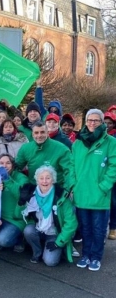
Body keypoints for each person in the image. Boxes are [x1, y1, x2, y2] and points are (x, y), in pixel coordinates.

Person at [70, 109, 116, 271]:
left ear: (102, 123)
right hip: (82, 193)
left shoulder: (110, 142)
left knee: (98, 229)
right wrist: (74, 185)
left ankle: (96, 257)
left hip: (99, 195)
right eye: (90, 120)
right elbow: (71, 166)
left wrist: (103, 186)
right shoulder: (78, 142)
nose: (92, 123)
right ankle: (86, 255)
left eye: (96, 120)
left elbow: (113, 167)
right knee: (85, 228)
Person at [20, 166, 77, 266]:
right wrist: (21, 202)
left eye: (48, 178)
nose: (44, 181)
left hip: (55, 234)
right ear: (37, 180)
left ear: (53, 180)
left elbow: (71, 223)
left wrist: (58, 242)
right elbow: (20, 214)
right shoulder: (31, 193)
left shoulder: (61, 195)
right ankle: (37, 252)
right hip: (38, 229)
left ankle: (59, 247)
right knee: (28, 230)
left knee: (50, 262)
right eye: (41, 178)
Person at [16, 121, 71, 190]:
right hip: (33, 189)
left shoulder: (61, 149)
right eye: (36, 133)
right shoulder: (25, 148)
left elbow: (69, 171)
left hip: (55, 189)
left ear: (47, 133)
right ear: (32, 134)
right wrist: (24, 181)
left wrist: (66, 189)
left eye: (42, 132)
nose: (39, 135)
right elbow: (16, 168)